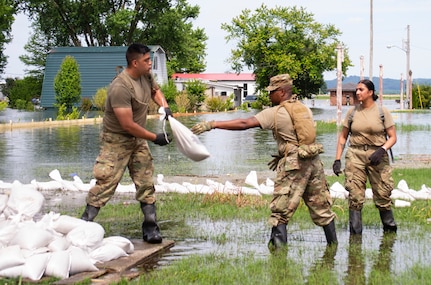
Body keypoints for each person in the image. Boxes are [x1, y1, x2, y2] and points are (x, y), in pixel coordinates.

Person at [191, 74, 337, 250]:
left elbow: (245, 123)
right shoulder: (303, 109)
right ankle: (333, 247)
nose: (269, 96)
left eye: (272, 92)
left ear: (281, 92)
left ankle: (278, 257)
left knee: (280, 212)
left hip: (294, 164)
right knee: (322, 208)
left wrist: (213, 124)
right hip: (313, 162)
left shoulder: (276, 112)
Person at [80, 43, 172, 244]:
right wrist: (154, 138)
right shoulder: (120, 87)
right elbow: (127, 125)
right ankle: (82, 227)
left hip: (138, 140)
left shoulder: (145, 76)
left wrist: (164, 107)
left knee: (146, 181)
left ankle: (151, 228)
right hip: (117, 140)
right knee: (106, 183)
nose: (151, 63)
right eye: (147, 60)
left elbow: (155, 91)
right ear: (135, 62)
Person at [332, 79, 397, 235]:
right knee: (355, 195)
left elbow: (393, 137)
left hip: (377, 155)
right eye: (357, 90)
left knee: (382, 193)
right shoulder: (352, 112)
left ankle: (390, 231)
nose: (357, 93)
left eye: (361, 89)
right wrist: (337, 159)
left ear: (370, 92)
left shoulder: (382, 112)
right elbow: (343, 137)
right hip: (355, 155)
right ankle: (355, 236)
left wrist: (382, 150)